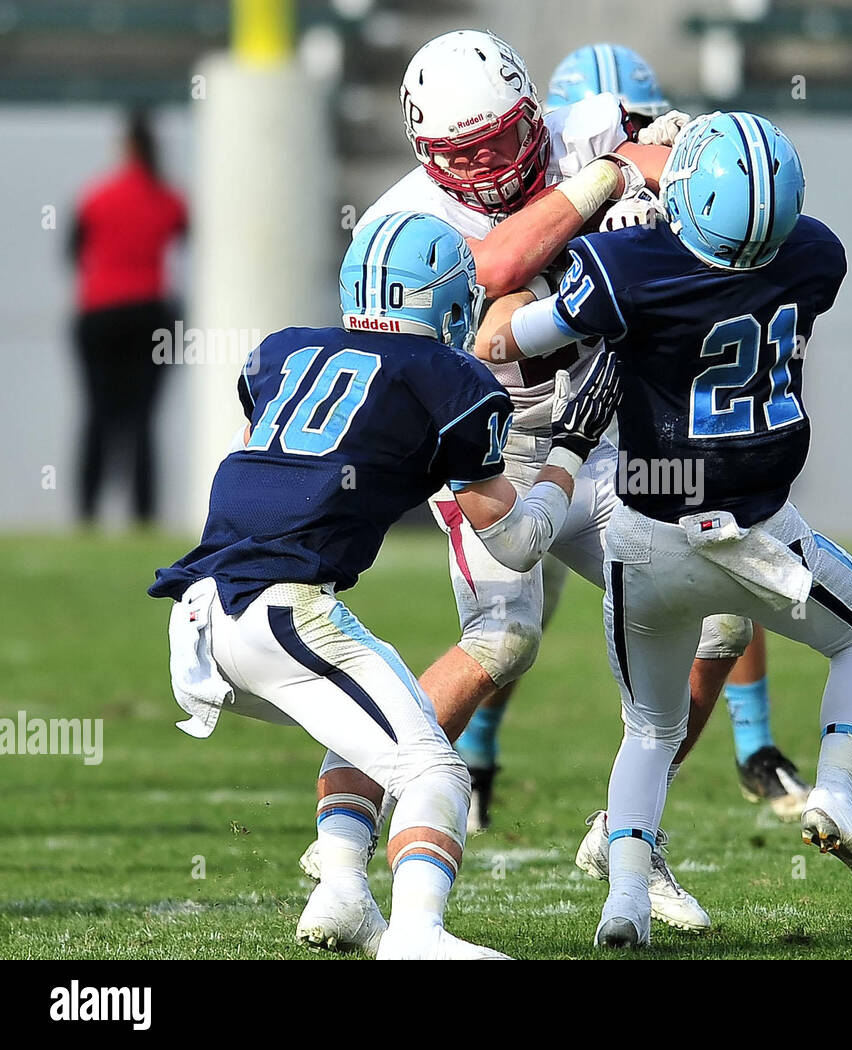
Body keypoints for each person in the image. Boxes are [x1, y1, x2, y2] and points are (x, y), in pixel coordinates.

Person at [297, 29, 719, 943]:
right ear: (427, 157)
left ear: (534, 111)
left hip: (601, 434)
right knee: (506, 637)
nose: (490, 165)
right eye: (466, 153)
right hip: (489, 448)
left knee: (718, 609)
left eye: (501, 138)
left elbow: (674, 151)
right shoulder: (402, 223)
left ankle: (627, 834)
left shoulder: (583, 126)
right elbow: (494, 282)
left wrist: (662, 163)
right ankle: (346, 825)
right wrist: (607, 183)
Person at [474, 112, 852, 948]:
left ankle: (625, 904)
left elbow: (505, 341)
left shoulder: (627, 269)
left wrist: (571, 278)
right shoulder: (815, 255)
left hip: (647, 537)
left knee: (649, 729)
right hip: (762, 535)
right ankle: (837, 792)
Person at [147, 212, 620, 959]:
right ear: (445, 302)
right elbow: (521, 543)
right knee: (435, 769)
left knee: (378, 722)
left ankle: (342, 893)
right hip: (281, 612)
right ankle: (417, 935)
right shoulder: (447, 377)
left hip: (199, 616)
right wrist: (571, 446)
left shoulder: (283, 351)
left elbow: (267, 468)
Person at [546, 41, 815, 821]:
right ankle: (480, 760)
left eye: (638, 121)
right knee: (511, 615)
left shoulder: (691, 179)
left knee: (731, 540)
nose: (631, 135)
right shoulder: (552, 190)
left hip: (654, 422)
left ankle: (747, 748)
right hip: (552, 430)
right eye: (616, 125)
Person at [70, 109, 186, 525]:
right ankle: (143, 512)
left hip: (99, 312)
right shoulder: (168, 199)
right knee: (141, 419)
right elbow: (185, 239)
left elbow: (74, 252)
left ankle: (87, 510)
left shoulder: (96, 197)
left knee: (98, 413)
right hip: (150, 315)